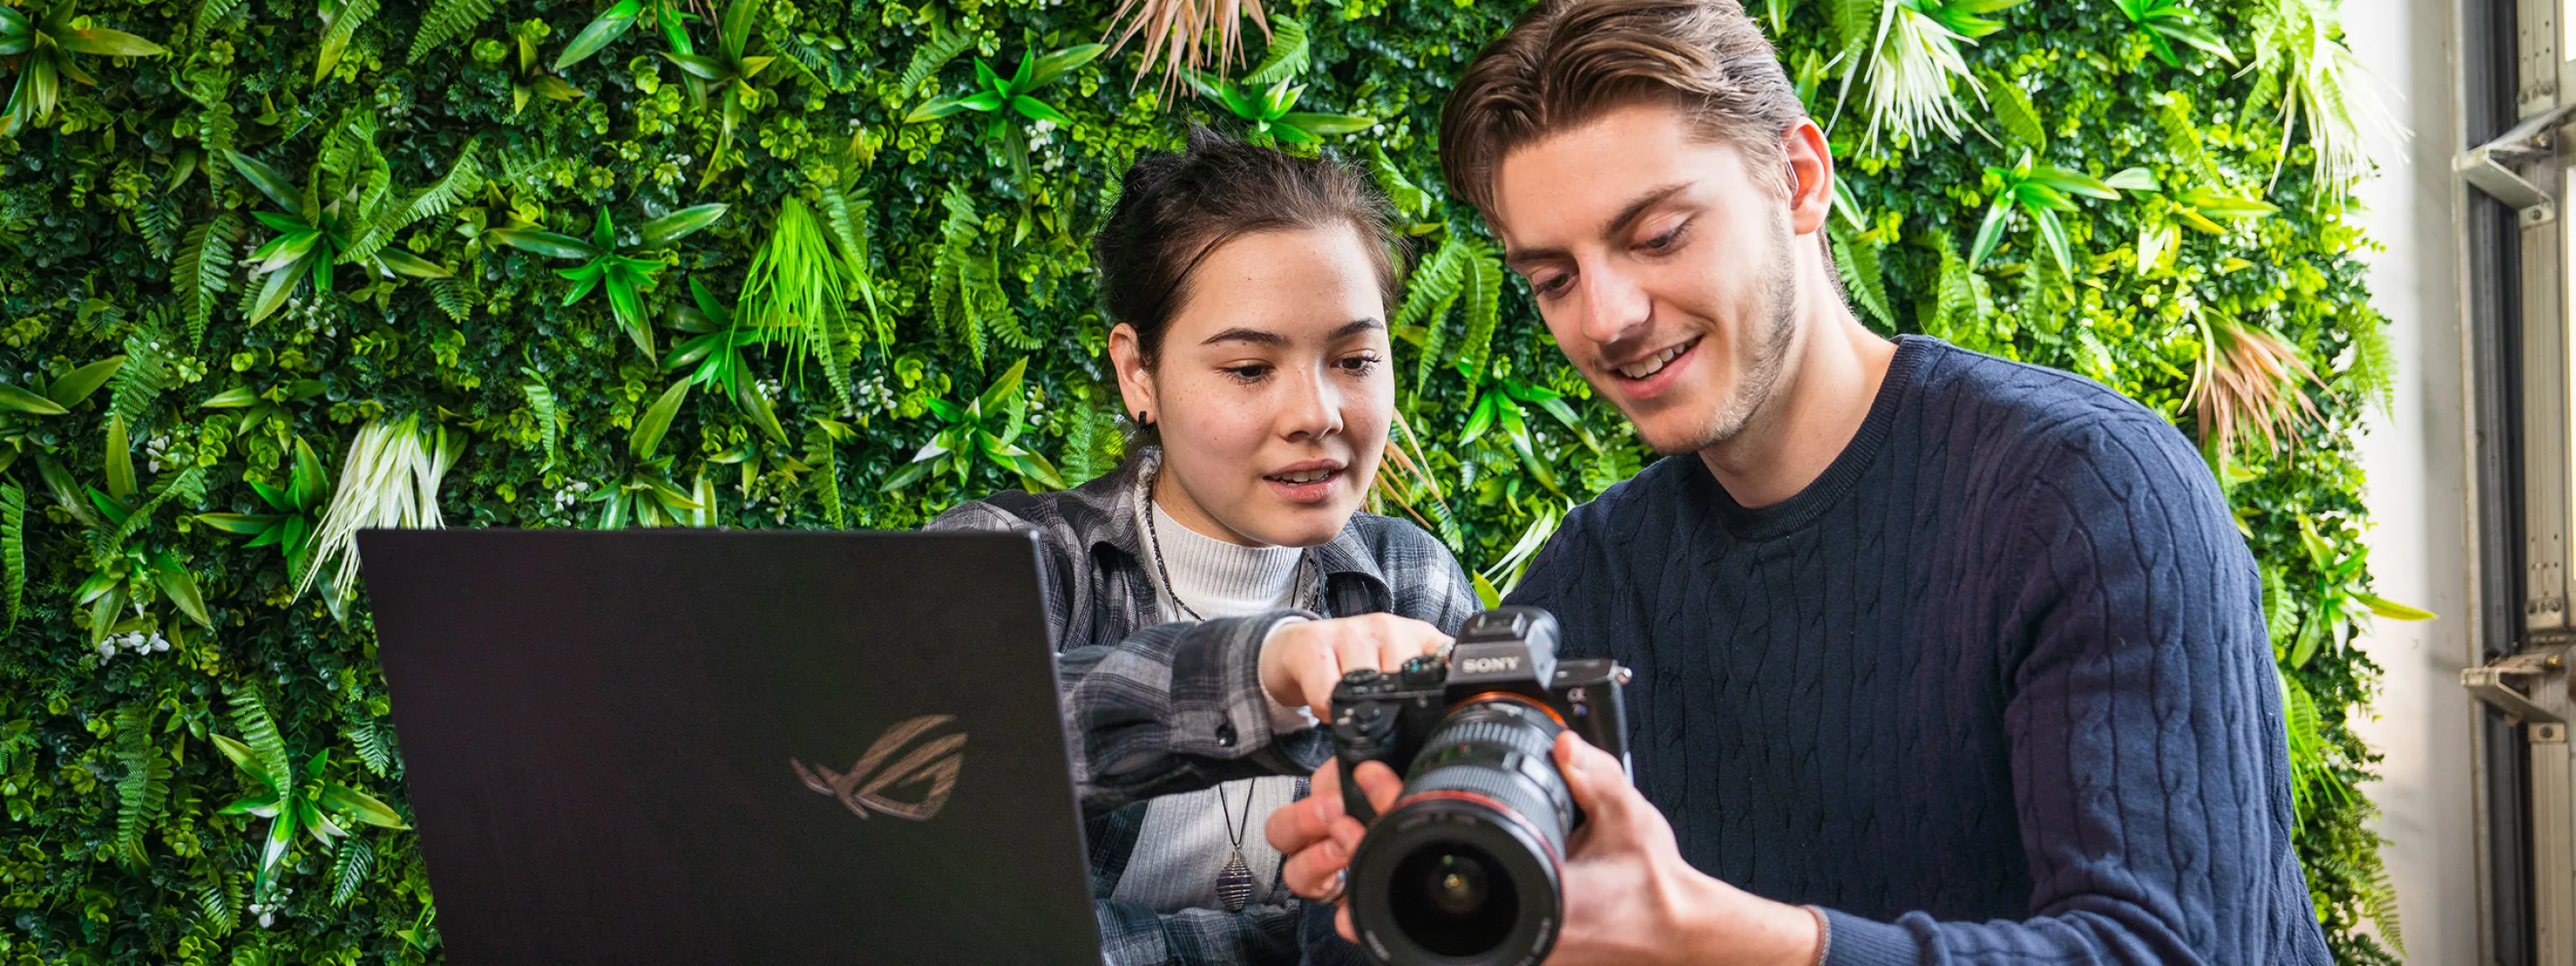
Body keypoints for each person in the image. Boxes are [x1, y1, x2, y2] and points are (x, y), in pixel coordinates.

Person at [1260, 1, 2338, 963]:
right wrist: (1390, 867)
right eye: (1553, 277)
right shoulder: (1596, 574)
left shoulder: (2086, 492)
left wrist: (1711, 940)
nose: (1606, 317)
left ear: (1800, 180)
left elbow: (2167, 947)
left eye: (1658, 235)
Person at [927, 129, 1481, 966]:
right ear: (1138, 374)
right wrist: (1266, 667)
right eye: (1251, 369)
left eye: (1356, 358)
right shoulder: (1012, 565)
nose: (1318, 414)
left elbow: (1456, 906)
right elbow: (946, 784)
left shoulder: (1411, 584)